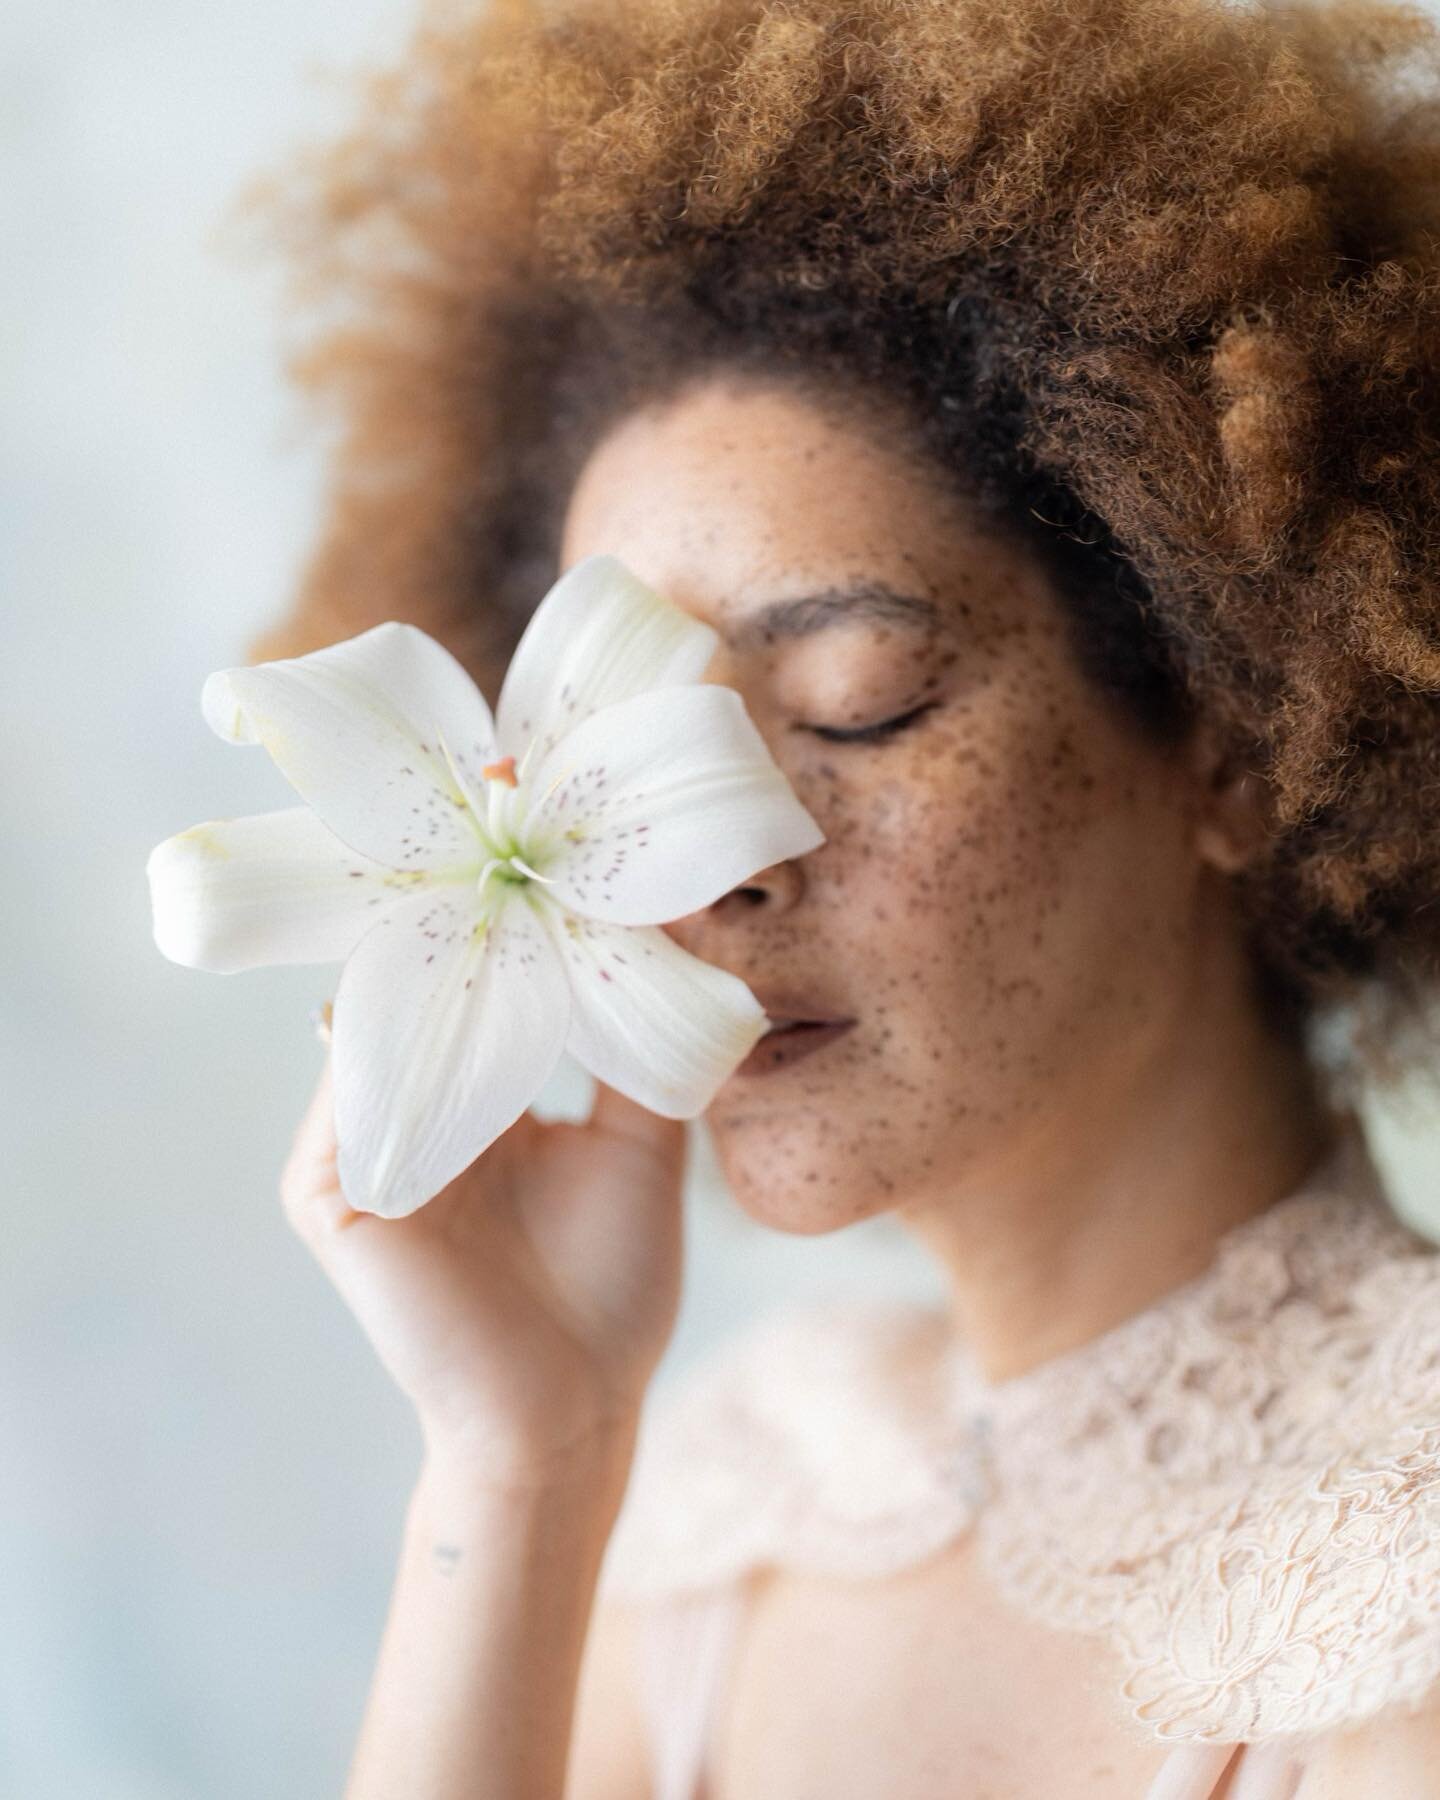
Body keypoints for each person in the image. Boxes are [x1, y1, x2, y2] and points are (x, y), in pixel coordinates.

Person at [255, 0, 1440, 1792]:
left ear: (1231, 734)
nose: (708, 869)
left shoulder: (1394, 1574)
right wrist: (526, 1459)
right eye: (627, 773)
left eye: (853, 708)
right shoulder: (727, 1505)